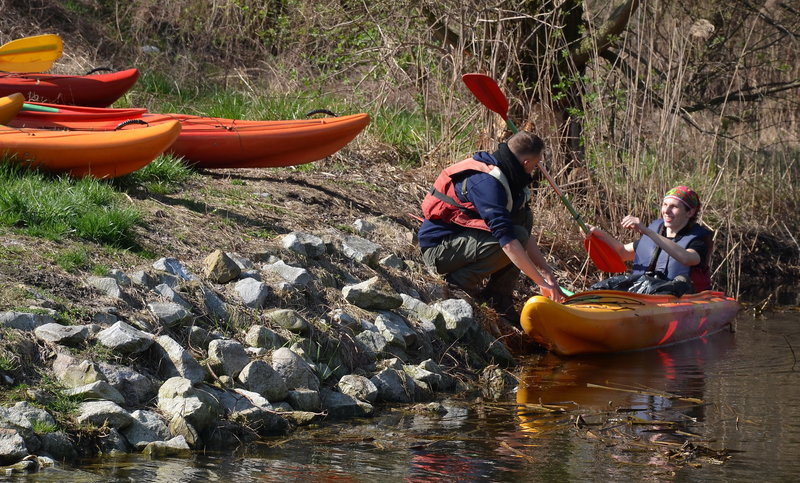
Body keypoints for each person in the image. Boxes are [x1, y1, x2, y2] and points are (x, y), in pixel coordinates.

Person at [418, 131, 565, 324]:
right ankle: (460, 284)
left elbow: (524, 233)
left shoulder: (509, 175)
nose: (535, 169)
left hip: (464, 239)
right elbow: (509, 243)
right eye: (536, 165)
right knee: (516, 236)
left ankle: (499, 297)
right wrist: (541, 283)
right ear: (526, 163)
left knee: (524, 218)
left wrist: (547, 274)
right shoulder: (486, 183)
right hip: (439, 251)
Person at [586, 186, 713, 295]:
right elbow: (622, 253)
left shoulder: (698, 239)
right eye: (665, 205)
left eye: (674, 207)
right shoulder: (657, 231)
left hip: (678, 296)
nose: (666, 211)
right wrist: (597, 233)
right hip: (645, 293)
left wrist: (646, 231)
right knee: (606, 286)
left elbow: (688, 258)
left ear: (690, 212)